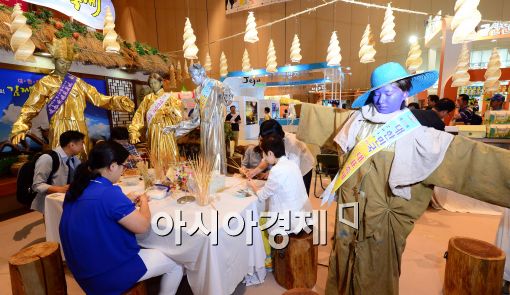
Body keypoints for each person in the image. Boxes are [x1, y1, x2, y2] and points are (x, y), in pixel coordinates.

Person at [294, 62, 510, 294]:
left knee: (377, 265)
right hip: (349, 208)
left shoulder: (418, 135)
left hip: (382, 214)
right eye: (376, 93)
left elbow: (469, 159)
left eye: (389, 93)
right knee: (343, 253)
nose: (381, 99)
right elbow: (321, 117)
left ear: (405, 92)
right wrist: (295, 108)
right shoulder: (354, 121)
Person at [60, 141, 183, 294]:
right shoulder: (108, 194)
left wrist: (125, 200)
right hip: (105, 274)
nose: (123, 170)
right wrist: (144, 201)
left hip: (82, 269)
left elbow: (97, 210)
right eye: (123, 166)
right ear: (112, 166)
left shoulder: (78, 188)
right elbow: (143, 226)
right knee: (177, 262)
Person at [10, 38, 134, 158]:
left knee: (82, 161)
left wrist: (118, 101)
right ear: (54, 60)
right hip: (60, 128)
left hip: (80, 128)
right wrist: (20, 126)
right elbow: (31, 107)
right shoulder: (45, 83)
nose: (65, 66)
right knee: (61, 161)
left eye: (68, 63)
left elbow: (98, 98)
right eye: (61, 62)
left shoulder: (78, 82)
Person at [169, 63, 233, 174]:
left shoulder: (216, 84)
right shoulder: (198, 90)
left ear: (202, 74)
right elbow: (196, 117)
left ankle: (217, 179)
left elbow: (228, 102)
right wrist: (177, 129)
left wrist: (226, 89)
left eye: (194, 77)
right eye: (191, 77)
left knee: (215, 152)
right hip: (204, 125)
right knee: (206, 154)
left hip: (215, 124)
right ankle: (206, 179)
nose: (193, 80)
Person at [247, 135, 312, 236]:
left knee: (258, 222)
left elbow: (262, 196)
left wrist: (252, 185)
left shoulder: (276, 170)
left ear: (270, 153)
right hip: (303, 215)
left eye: (264, 155)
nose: (264, 158)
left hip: (289, 223)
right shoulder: (292, 164)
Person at [129, 73, 191, 164]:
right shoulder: (147, 99)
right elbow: (139, 114)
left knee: (169, 153)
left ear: (161, 83)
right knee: (155, 156)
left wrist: (170, 110)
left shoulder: (170, 98)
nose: (153, 85)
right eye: (151, 83)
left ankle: (172, 174)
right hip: (153, 130)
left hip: (166, 129)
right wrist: (134, 130)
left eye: (155, 82)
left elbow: (180, 115)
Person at [246, 119, 314, 195]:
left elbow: (293, 170)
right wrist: (255, 171)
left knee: (300, 192)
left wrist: (273, 173)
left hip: (303, 167)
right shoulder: (271, 140)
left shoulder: (293, 143)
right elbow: (266, 159)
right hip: (288, 168)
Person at [31, 130, 84, 213]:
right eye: (81, 143)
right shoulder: (48, 158)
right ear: (72, 145)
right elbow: (37, 185)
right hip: (50, 202)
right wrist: (60, 189)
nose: (82, 147)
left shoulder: (74, 159)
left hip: (65, 200)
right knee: (53, 224)